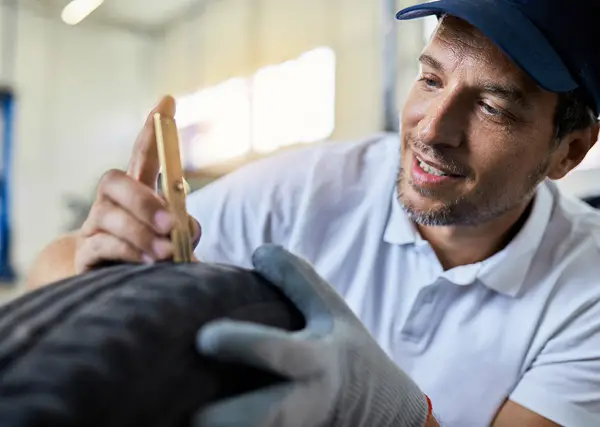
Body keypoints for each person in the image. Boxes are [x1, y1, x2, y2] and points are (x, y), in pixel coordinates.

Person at [25, 0, 600, 425]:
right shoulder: (307, 190)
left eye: (493, 107)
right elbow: (50, 266)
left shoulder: (588, 288)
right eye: (430, 79)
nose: (432, 128)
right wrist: (102, 268)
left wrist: (390, 414)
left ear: (569, 151)